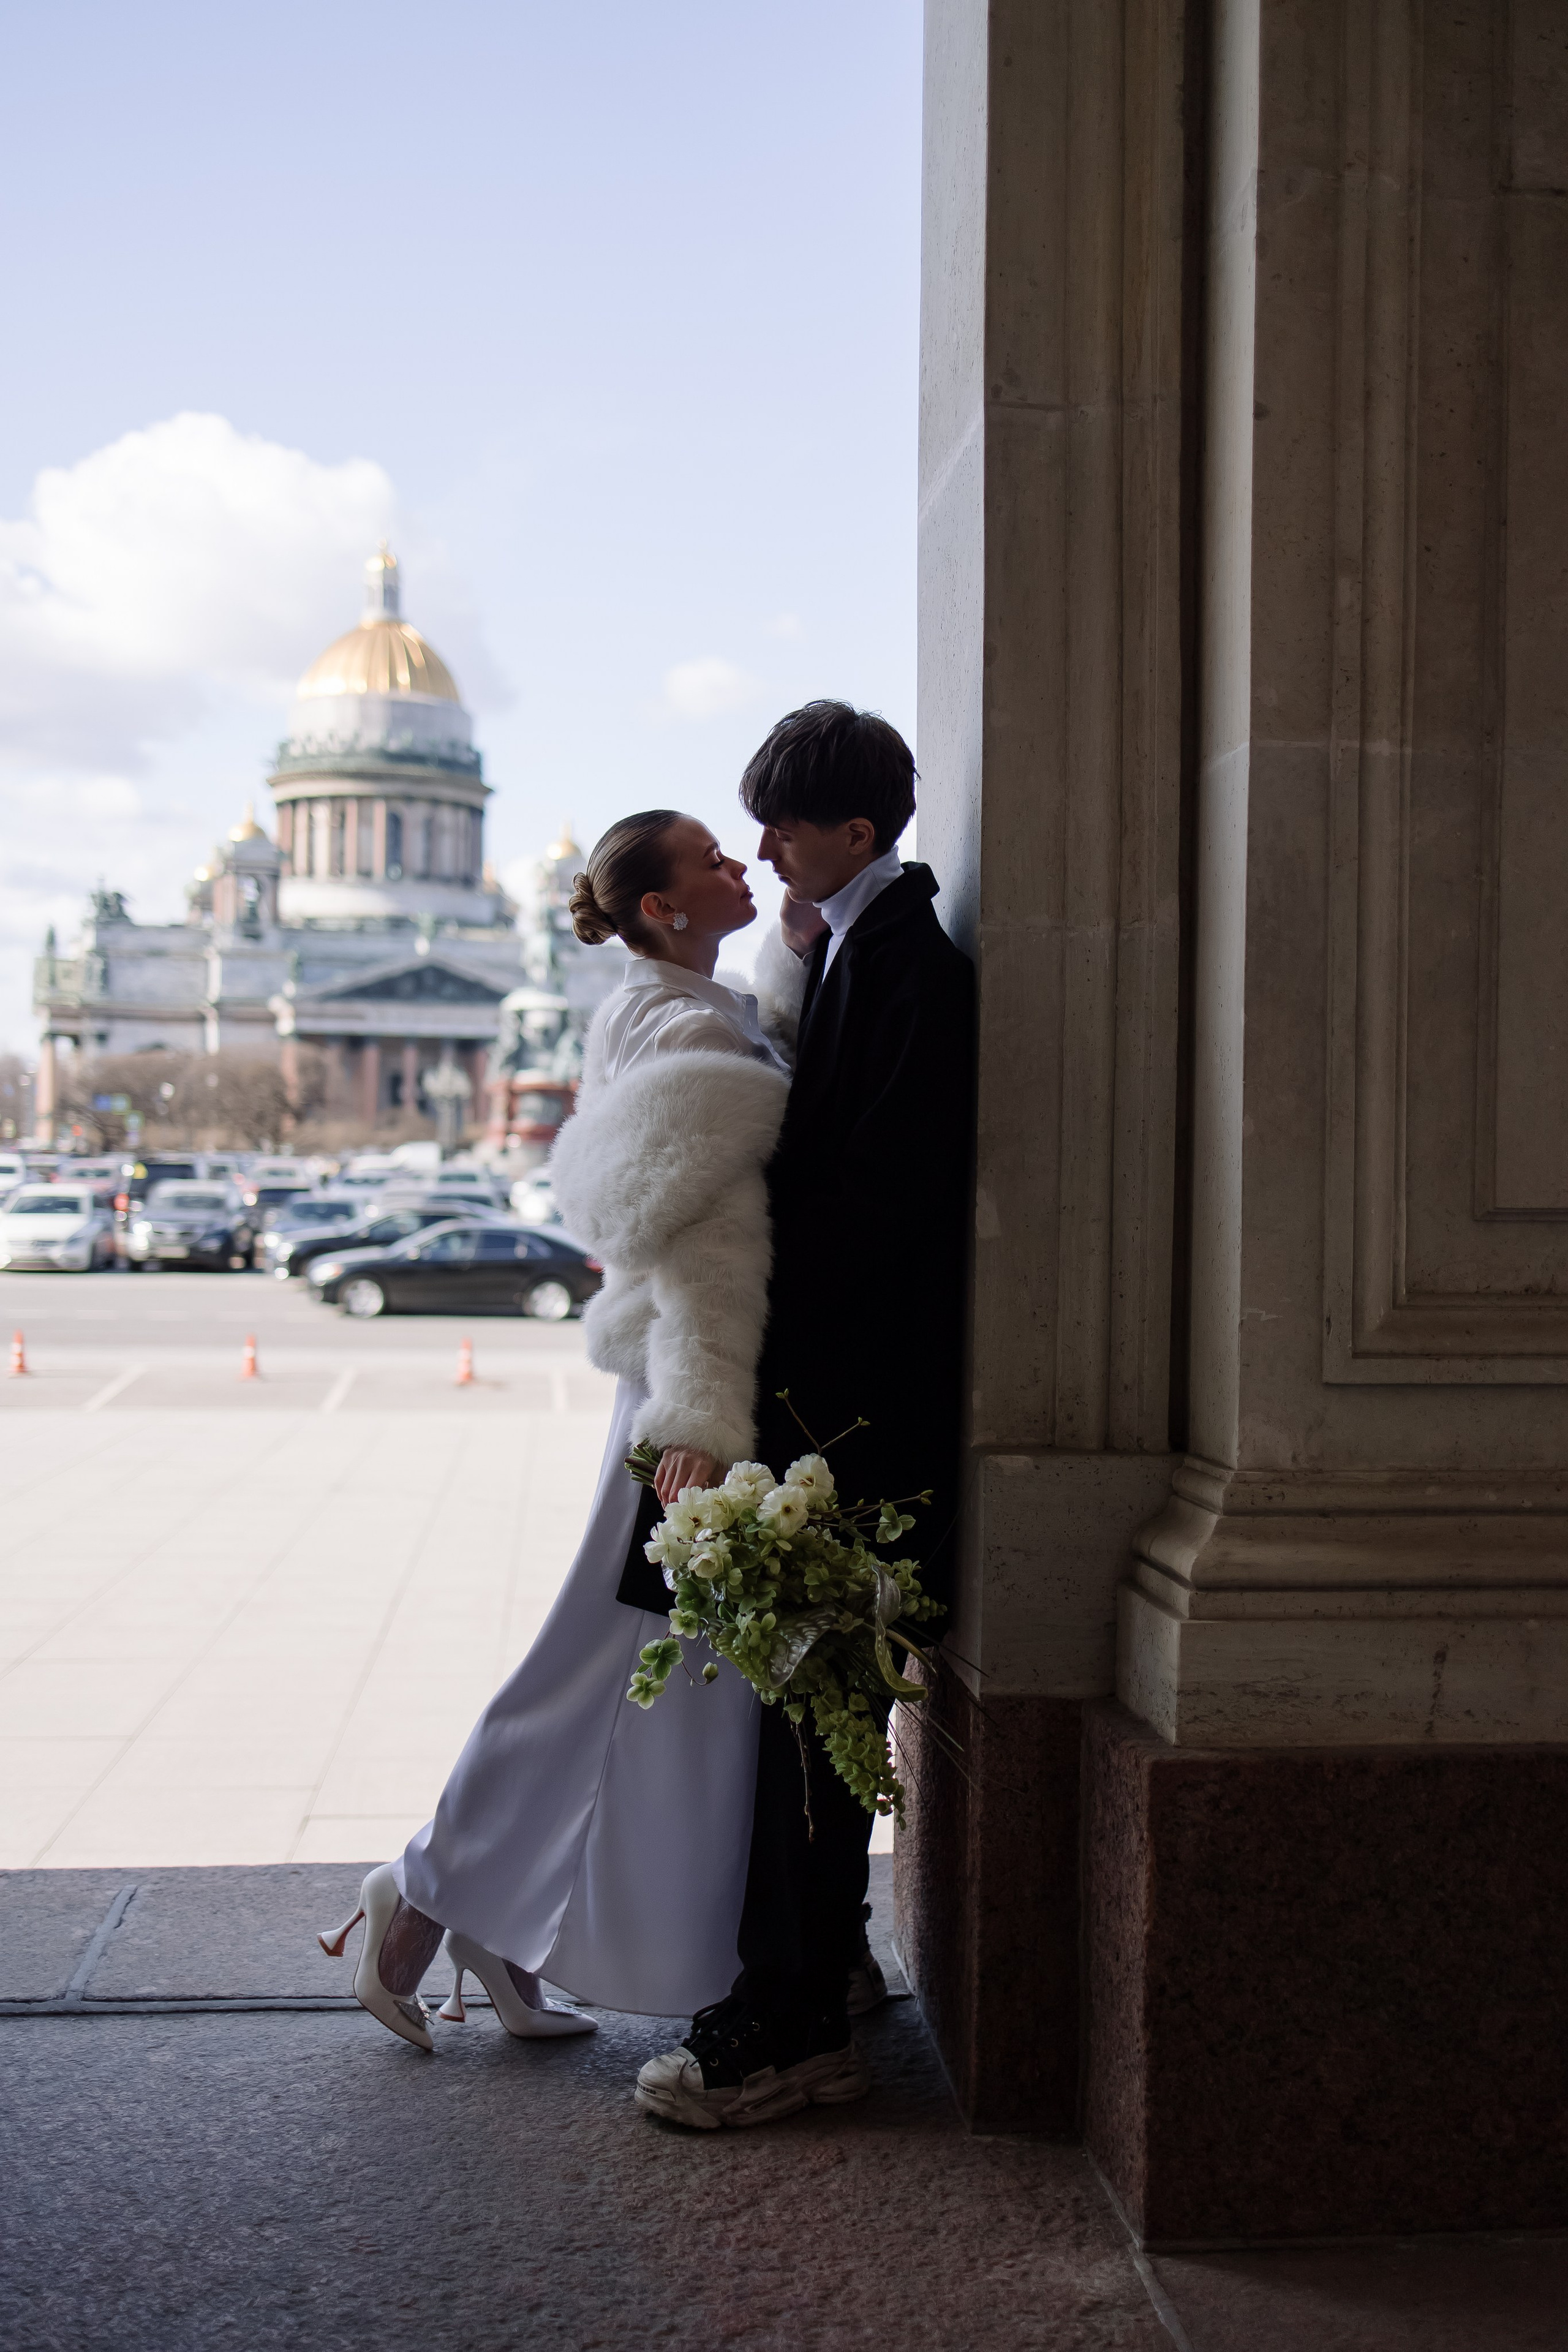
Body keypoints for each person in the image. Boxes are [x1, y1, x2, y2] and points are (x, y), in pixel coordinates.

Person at [317, 810, 796, 2047]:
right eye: (710, 858)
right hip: (692, 1390)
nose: (739, 865)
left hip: (677, 1383)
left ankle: (487, 1915)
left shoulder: (661, 1000)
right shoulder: (686, 1023)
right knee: (602, 1662)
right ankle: (421, 1894)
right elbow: (711, 1253)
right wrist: (700, 1420)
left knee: (620, 1668)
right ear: (658, 906)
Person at [635, 701, 975, 2130]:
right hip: (827, 1413)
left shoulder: (904, 968)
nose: (762, 847)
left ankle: (786, 2026)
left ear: (854, 831)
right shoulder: (849, 952)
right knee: (804, 1714)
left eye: (779, 824)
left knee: (810, 1719)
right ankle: (811, 1977)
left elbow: (873, 1210)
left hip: (848, 1424)